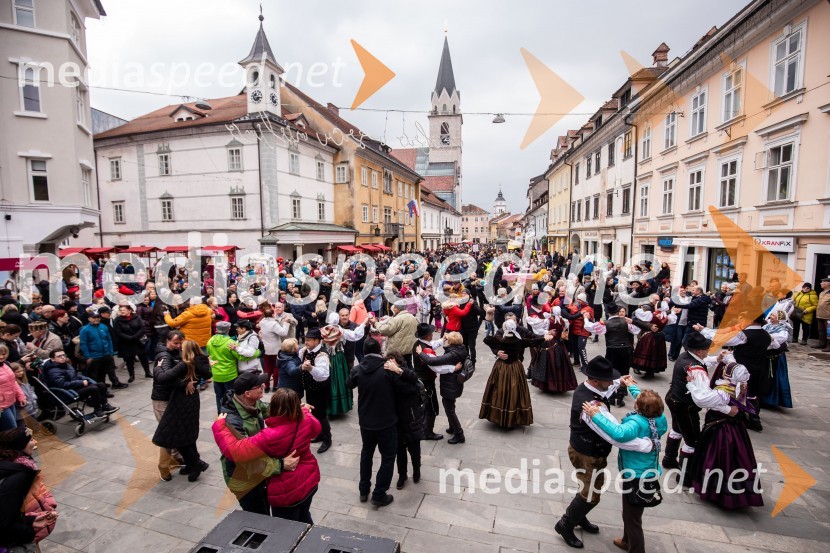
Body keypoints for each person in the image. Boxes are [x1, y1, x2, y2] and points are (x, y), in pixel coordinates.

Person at [554, 357, 637, 549]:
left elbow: (608, 388)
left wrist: (621, 381)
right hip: (588, 454)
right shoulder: (590, 406)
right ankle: (565, 524)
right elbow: (614, 435)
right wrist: (642, 443)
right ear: (596, 380)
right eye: (608, 379)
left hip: (584, 450)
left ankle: (579, 516)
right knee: (591, 494)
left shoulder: (590, 387)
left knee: (587, 486)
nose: (611, 381)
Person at [213, 388, 321, 523]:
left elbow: (235, 451)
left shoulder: (270, 435)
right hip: (310, 480)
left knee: (287, 529)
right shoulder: (305, 420)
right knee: (304, 516)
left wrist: (220, 427)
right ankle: (311, 540)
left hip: (287, 492)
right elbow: (317, 429)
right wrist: (304, 412)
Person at [583, 387, 668, 553]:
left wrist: (596, 415)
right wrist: (633, 388)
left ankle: (635, 548)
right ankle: (626, 540)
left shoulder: (635, 423)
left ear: (638, 408)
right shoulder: (660, 418)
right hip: (648, 471)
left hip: (635, 475)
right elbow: (646, 402)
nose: (634, 400)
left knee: (632, 518)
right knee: (632, 513)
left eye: (636, 401)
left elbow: (618, 433)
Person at [217, 371, 300, 515]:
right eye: (259, 385)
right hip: (244, 479)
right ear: (247, 393)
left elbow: (270, 410)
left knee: (264, 507)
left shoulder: (251, 402)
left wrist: (296, 408)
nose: (263, 386)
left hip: (260, 471)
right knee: (259, 515)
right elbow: (244, 460)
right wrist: (280, 464)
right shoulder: (233, 422)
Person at [685, 360, 764, 509]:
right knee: (737, 457)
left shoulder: (724, 391)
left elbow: (702, 400)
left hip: (721, 428)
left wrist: (691, 384)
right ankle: (737, 492)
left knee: (719, 457)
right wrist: (726, 409)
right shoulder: (741, 386)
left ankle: (718, 492)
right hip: (734, 426)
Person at [346, 337, 409, 507]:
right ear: (379, 349)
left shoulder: (358, 370)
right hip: (386, 421)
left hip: (366, 421)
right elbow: (405, 387)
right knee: (388, 457)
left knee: (366, 453)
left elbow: (348, 384)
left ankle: (363, 489)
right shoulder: (387, 368)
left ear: (365, 352)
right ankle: (379, 493)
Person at [152, 339, 212, 482]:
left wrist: (158, 368)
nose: (179, 349)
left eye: (182, 347)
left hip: (181, 402)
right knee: (187, 434)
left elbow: (163, 377)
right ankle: (192, 463)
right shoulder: (202, 360)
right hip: (193, 400)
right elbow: (208, 375)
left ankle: (196, 464)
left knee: (177, 436)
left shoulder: (185, 363)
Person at [661, 331, 716, 473]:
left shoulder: (684, 356)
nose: (707, 351)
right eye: (706, 349)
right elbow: (703, 397)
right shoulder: (695, 368)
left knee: (677, 428)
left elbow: (702, 362)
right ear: (699, 351)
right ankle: (686, 475)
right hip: (685, 405)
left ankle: (669, 459)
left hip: (673, 397)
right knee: (692, 441)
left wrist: (716, 359)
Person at [480, 320, 548, 428]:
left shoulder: (500, 340)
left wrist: (497, 350)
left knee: (499, 389)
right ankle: (514, 414)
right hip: (515, 368)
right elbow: (535, 341)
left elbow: (486, 339)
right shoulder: (519, 341)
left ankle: (499, 414)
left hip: (501, 367)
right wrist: (545, 337)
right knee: (516, 390)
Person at [0, 428, 58, 550]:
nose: (35, 442)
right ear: (20, 446)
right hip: (15, 539)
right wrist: (29, 533)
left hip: (31, 520)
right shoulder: (17, 475)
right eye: (31, 440)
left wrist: (30, 519)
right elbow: (5, 521)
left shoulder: (22, 467)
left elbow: (41, 490)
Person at [416, 332, 468, 443]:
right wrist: (442, 340)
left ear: (451, 342)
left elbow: (433, 361)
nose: (446, 341)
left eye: (448, 340)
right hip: (453, 384)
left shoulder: (453, 354)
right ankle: (452, 427)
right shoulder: (460, 348)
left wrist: (421, 353)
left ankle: (459, 434)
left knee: (449, 410)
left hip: (450, 385)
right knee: (449, 405)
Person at [386, 352, 424, 490]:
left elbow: (412, 385)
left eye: (392, 361)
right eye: (388, 362)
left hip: (411, 417)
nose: (390, 364)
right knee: (399, 451)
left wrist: (397, 371)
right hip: (396, 420)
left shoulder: (406, 372)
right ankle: (402, 475)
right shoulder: (388, 376)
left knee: (414, 449)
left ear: (398, 362)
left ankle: (417, 471)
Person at [41, 350, 117, 418]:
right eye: (59, 356)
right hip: (66, 392)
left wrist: (86, 380)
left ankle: (105, 405)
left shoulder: (65, 365)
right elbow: (62, 384)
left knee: (101, 385)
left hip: (75, 388)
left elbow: (76, 376)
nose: (63, 357)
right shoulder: (53, 371)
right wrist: (81, 382)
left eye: (64, 355)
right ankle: (97, 409)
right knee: (93, 388)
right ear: (53, 359)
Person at [151, 330, 185, 480]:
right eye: (175, 343)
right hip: (162, 399)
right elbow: (165, 378)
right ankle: (163, 466)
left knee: (175, 429)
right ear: (167, 341)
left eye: (180, 343)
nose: (178, 346)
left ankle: (177, 456)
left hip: (172, 398)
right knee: (167, 433)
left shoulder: (174, 353)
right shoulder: (164, 356)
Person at [321, 313, 366, 417]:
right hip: (338, 358)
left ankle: (329, 406)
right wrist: (363, 323)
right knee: (339, 380)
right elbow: (355, 335)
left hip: (326, 357)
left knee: (329, 380)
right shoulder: (341, 331)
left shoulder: (323, 330)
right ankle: (339, 406)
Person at [299, 328, 332, 454]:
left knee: (321, 414)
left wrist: (311, 368)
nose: (306, 342)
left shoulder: (322, 355)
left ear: (317, 341)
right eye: (305, 340)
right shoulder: (304, 351)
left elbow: (323, 375)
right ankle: (320, 434)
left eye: (308, 340)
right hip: (310, 388)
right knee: (313, 412)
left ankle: (327, 439)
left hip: (320, 390)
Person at [530, 306, 577, 393]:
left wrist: (547, 332)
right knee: (560, 364)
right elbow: (566, 329)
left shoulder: (548, 321)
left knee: (548, 362)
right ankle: (560, 385)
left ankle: (549, 385)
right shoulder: (564, 321)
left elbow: (539, 330)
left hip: (549, 343)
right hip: (560, 344)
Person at [79, 311, 127, 389]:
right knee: (95, 375)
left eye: (98, 317)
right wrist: (88, 356)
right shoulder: (85, 330)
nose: (96, 319)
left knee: (103, 373)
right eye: (94, 317)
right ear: (89, 319)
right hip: (94, 356)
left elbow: (108, 339)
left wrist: (110, 352)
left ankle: (104, 389)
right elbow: (83, 344)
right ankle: (98, 390)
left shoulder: (103, 327)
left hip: (106, 354)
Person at [411, 323, 443, 440]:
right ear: (428, 335)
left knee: (425, 405)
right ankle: (428, 432)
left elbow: (431, 346)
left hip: (420, 378)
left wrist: (442, 340)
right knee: (432, 407)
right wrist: (453, 368)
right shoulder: (425, 349)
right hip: (427, 381)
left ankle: (424, 428)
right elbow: (436, 364)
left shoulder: (418, 344)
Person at [258, 304, 295, 392]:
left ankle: (266, 387)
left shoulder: (262, 321)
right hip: (275, 349)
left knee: (267, 369)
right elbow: (283, 333)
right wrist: (286, 323)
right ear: (272, 315)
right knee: (276, 368)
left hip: (266, 349)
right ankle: (275, 386)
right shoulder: (273, 324)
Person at [206, 321, 240, 414]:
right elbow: (239, 356)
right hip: (229, 374)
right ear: (228, 329)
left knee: (219, 396)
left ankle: (220, 414)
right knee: (230, 397)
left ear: (216, 330)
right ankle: (230, 415)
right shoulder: (231, 343)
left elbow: (208, 353)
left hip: (216, 374)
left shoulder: (210, 341)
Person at [112, 303, 150, 382]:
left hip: (138, 341)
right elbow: (118, 332)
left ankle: (148, 372)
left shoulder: (136, 317)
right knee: (129, 360)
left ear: (129, 310)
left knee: (143, 358)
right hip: (126, 343)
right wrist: (129, 338)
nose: (122, 311)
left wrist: (135, 337)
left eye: (124, 310)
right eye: (121, 310)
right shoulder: (118, 320)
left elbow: (142, 327)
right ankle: (131, 375)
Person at [762, 313, 793, 409]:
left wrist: (770, 338)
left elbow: (782, 339)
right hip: (766, 355)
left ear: (780, 318)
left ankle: (773, 400)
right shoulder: (766, 326)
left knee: (775, 376)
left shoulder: (783, 328)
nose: (771, 317)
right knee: (764, 377)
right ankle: (763, 398)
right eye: (771, 315)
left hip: (777, 357)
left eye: (773, 316)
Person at [0, 345, 26, 430]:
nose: (1, 356)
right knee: (12, 428)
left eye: (3, 354)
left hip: (10, 401)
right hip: (2, 406)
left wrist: (21, 396)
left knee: (12, 428)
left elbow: (13, 381)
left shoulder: (6, 364)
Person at [813, 276, 830, 351]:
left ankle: (829, 346)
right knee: (821, 330)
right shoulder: (821, 293)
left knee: (829, 332)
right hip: (819, 315)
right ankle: (821, 344)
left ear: (828, 284)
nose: (821, 283)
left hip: (828, 316)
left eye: (823, 282)